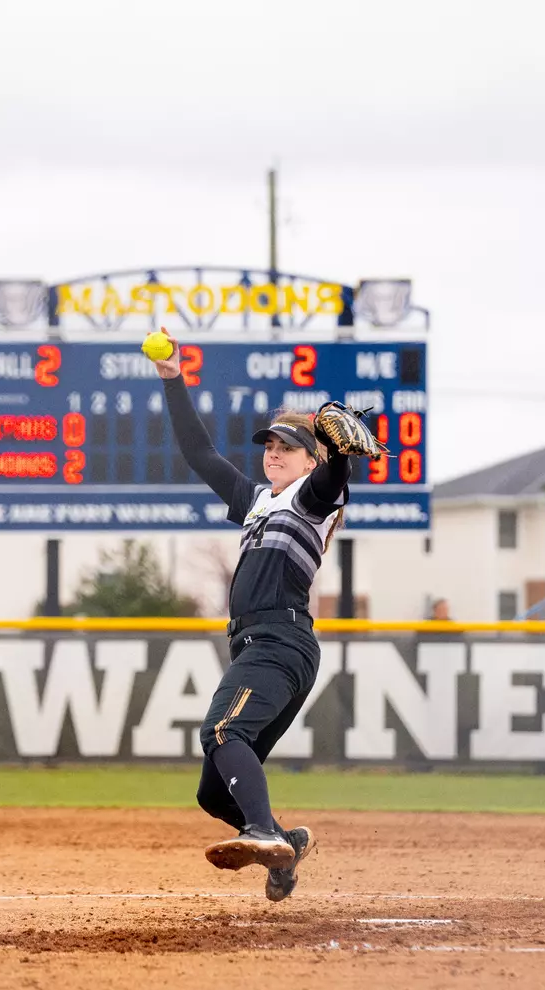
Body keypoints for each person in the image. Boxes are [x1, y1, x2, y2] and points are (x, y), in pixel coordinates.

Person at [153, 329, 350, 902]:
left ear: (310, 461)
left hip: (279, 641)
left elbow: (332, 479)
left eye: (288, 446)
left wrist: (338, 453)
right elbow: (200, 454)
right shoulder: (258, 501)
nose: (274, 452)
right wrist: (173, 379)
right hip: (261, 647)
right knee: (215, 794)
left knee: (222, 730)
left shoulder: (311, 500)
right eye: (270, 445)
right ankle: (285, 844)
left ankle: (262, 831)